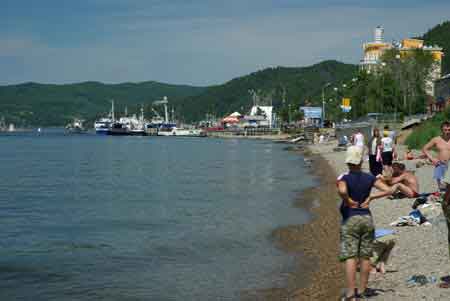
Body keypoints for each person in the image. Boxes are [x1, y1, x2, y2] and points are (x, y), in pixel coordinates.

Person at [337, 146, 393, 300]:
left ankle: (350, 294)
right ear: (361, 161)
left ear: (348, 162)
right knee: (365, 256)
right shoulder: (369, 177)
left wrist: (348, 201)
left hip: (351, 218)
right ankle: (361, 291)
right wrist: (372, 198)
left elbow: (342, 191)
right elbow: (389, 190)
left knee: (350, 256)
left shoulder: (344, 178)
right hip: (367, 218)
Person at [422, 121, 450, 190]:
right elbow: (425, 149)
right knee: (442, 187)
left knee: (448, 187)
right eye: (445, 130)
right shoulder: (436, 139)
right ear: (441, 130)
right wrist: (432, 158)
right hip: (440, 164)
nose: (447, 131)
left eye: (449, 130)